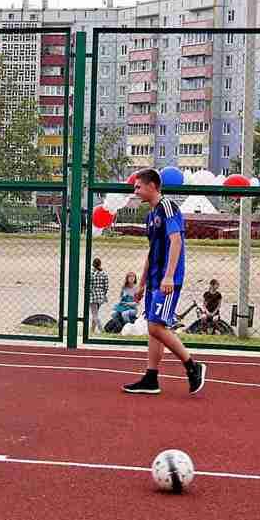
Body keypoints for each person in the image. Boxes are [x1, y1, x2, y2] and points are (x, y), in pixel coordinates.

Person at [122, 168, 206, 395]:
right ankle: (151, 378)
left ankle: (192, 365)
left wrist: (168, 276)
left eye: (138, 187)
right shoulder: (150, 216)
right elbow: (152, 251)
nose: (136, 191)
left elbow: (176, 241)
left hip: (168, 280)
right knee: (154, 329)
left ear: (152, 186)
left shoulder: (168, 207)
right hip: (155, 280)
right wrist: (142, 283)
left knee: (156, 325)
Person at [89, 257, 110, 334]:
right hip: (101, 296)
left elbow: (89, 286)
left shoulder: (91, 273)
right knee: (96, 313)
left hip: (93, 295)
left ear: (92, 264)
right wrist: (103, 293)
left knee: (95, 315)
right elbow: (106, 286)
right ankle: (92, 330)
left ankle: (102, 330)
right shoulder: (104, 273)